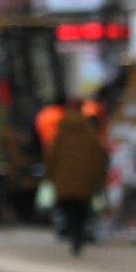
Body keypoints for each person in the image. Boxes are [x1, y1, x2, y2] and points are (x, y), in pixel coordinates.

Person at [46, 100, 110, 256]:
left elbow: (51, 158)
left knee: (68, 209)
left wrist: (51, 177)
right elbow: (99, 158)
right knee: (82, 210)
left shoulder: (60, 134)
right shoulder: (90, 134)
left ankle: (73, 231)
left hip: (64, 182)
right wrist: (99, 178)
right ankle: (78, 233)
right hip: (85, 182)